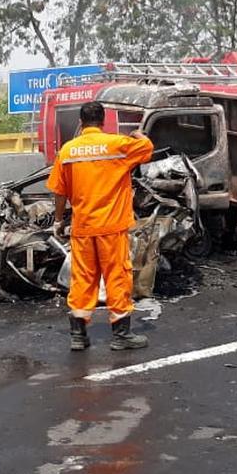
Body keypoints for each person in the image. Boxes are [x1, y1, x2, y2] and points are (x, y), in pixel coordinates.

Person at [47, 101, 154, 351]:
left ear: (80, 122)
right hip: (111, 228)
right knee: (116, 277)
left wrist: (59, 220)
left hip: (83, 227)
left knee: (82, 278)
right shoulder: (117, 145)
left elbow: (59, 191)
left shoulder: (68, 151)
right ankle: (121, 335)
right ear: (103, 121)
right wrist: (138, 134)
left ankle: (78, 335)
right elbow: (147, 148)